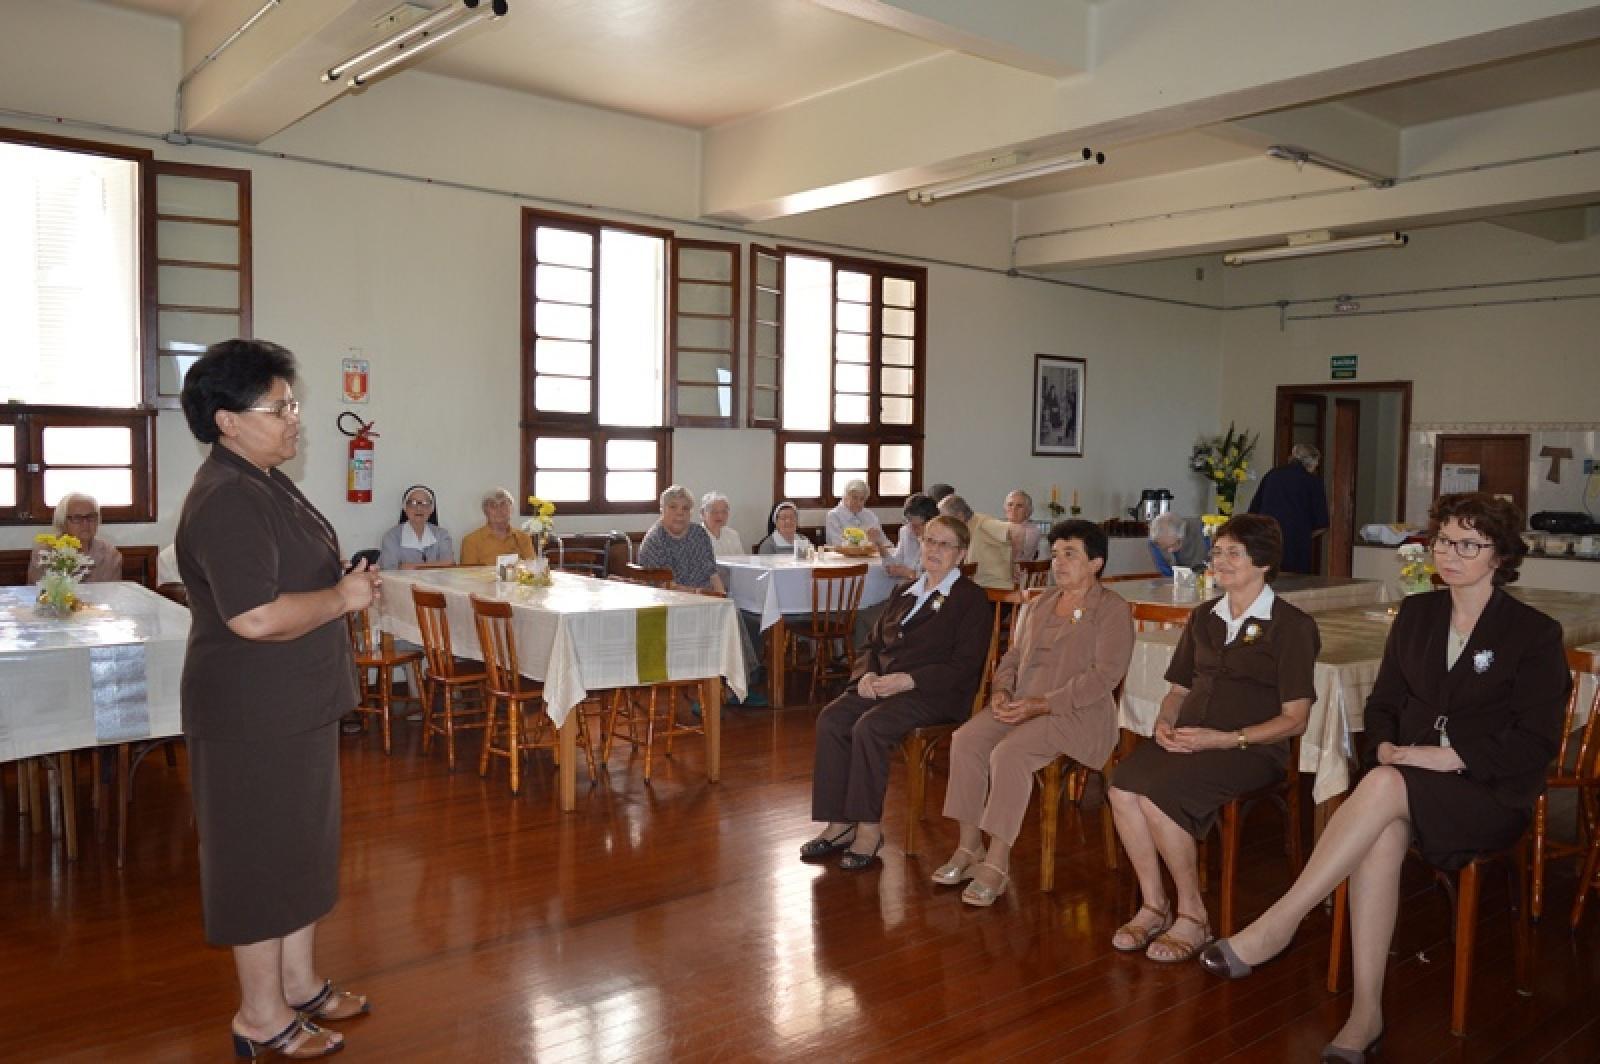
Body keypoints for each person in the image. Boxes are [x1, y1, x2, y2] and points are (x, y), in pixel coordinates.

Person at [1199, 494, 1569, 1062]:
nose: (1450, 554)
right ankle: (1365, 1013)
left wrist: (1450, 757)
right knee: (1380, 829)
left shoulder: (1532, 632)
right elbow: (1384, 703)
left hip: (1488, 791)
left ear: (1500, 557)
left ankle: (1280, 922)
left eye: (1468, 545)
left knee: (1383, 787)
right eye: (1444, 540)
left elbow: (1536, 741)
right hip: (1408, 779)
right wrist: (1390, 745)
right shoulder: (1417, 614)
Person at [176, 339, 380, 1059]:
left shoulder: (265, 479)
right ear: (228, 420)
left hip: (293, 704)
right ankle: (259, 1016)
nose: (296, 419)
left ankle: (298, 982)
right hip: (250, 715)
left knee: (300, 849)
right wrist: (342, 596)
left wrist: (341, 587)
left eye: (294, 404)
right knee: (258, 860)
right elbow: (253, 616)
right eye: (280, 406)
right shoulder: (228, 497)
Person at [1106, 513, 1319, 964]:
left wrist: (1221, 740)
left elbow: (1295, 719)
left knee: (1159, 796)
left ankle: (1193, 915)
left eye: (1232, 553)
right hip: (1190, 738)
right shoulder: (1204, 617)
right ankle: (1153, 905)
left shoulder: (1292, 626)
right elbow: (1179, 689)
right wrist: (1164, 723)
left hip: (1251, 749)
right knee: (1123, 788)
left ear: (1263, 563)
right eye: (1217, 551)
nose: (1218, 561)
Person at [936, 519, 1135, 905]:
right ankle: (969, 846)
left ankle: (997, 862)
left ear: (1095, 562)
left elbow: (1104, 677)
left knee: (1008, 753)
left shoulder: (1111, 609)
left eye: (1070, 554)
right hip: (1022, 703)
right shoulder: (1042, 601)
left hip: (1076, 713)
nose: (1058, 563)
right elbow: (1013, 655)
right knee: (966, 740)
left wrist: (1041, 704)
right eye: (1056, 553)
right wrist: (1002, 691)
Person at [801, 515, 993, 870]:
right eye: (929, 541)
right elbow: (871, 642)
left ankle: (869, 830)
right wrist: (866, 674)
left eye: (944, 544)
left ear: (961, 554)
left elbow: (964, 665)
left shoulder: (970, 599)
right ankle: (839, 824)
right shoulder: (905, 591)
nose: (934, 550)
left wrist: (908, 680)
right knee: (832, 719)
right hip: (884, 685)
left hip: (933, 694)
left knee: (869, 728)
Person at [1248, 443, 1329, 575]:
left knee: (1269, 579)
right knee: (1295, 584)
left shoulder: (1272, 475)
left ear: (1292, 456)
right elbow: (1322, 523)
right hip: (1297, 545)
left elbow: (1253, 511)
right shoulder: (1313, 482)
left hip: (1269, 537)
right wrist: (1303, 534)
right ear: (1312, 463)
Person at [639, 485, 725, 593]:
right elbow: (664, 587)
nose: (680, 513)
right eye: (673, 507)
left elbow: (713, 575)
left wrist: (723, 599)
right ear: (662, 510)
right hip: (674, 603)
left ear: (691, 513)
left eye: (685, 508)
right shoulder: (655, 540)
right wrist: (699, 594)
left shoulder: (699, 533)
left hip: (708, 600)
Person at [26, 493, 123, 583]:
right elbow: (37, 593)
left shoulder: (110, 555)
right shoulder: (44, 552)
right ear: (63, 522)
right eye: (77, 518)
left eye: (91, 517)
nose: (85, 523)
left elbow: (112, 595)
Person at [937, 494, 1016, 590]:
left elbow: (1016, 531)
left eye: (946, 519)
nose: (944, 524)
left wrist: (1016, 562)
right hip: (977, 590)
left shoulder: (982, 524)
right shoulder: (962, 531)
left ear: (960, 516)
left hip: (996, 593)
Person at [377, 485, 456, 570]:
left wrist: (409, 566)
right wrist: (437, 565)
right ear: (405, 508)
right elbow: (389, 570)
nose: (419, 508)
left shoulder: (442, 535)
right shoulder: (391, 537)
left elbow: (449, 565)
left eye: (425, 503)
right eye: (413, 503)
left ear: (431, 509)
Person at [458, 487, 536, 566]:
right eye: (493, 505)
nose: (499, 509)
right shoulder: (471, 541)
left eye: (503, 504)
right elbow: (468, 575)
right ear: (485, 511)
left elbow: (532, 569)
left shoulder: (524, 538)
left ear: (511, 509)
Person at [883, 492, 939, 580]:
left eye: (916, 526)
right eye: (908, 522)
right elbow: (898, 560)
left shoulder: (938, 540)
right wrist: (880, 546)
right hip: (906, 585)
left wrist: (908, 573)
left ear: (931, 523)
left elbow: (935, 577)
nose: (911, 529)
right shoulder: (905, 531)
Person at [824, 479, 888, 548]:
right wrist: (867, 540)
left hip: (870, 557)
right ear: (845, 497)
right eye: (854, 498)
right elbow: (838, 544)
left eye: (862, 499)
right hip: (843, 558)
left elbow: (885, 542)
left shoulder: (870, 515)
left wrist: (878, 542)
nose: (858, 503)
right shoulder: (834, 515)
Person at [1148, 512, 1210, 577]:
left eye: (1172, 545)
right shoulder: (1155, 543)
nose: (1170, 551)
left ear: (1182, 536)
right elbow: (1167, 575)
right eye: (1165, 548)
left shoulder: (1204, 531)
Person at [700, 491, 744, 557]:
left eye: (724, 512)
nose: (720, 516)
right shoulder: (695, 537)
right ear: (703, 513)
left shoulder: (733, 535)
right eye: (714, 512)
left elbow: (742, 561)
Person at [1003, 490, 1042, 564]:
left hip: (1016, 572)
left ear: (1028, 511)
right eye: (1010, 504)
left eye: (1019, 505)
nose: (1014, 509)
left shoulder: (1032, 530)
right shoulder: (1002, 526)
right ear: (1005, 508)